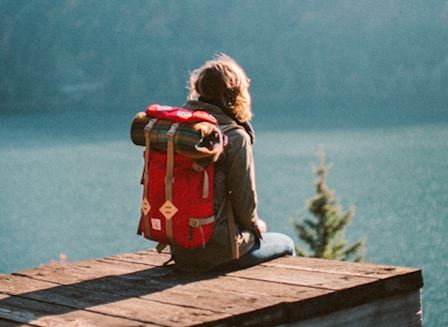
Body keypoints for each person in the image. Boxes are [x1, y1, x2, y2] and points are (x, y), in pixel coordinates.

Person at [171, 54, 295, 272]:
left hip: (180, 247)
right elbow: (245, 206)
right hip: (219, 250)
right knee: (286, 243)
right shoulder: (234, 137)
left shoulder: (182, 129)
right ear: (235, 95)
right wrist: (257, 226)